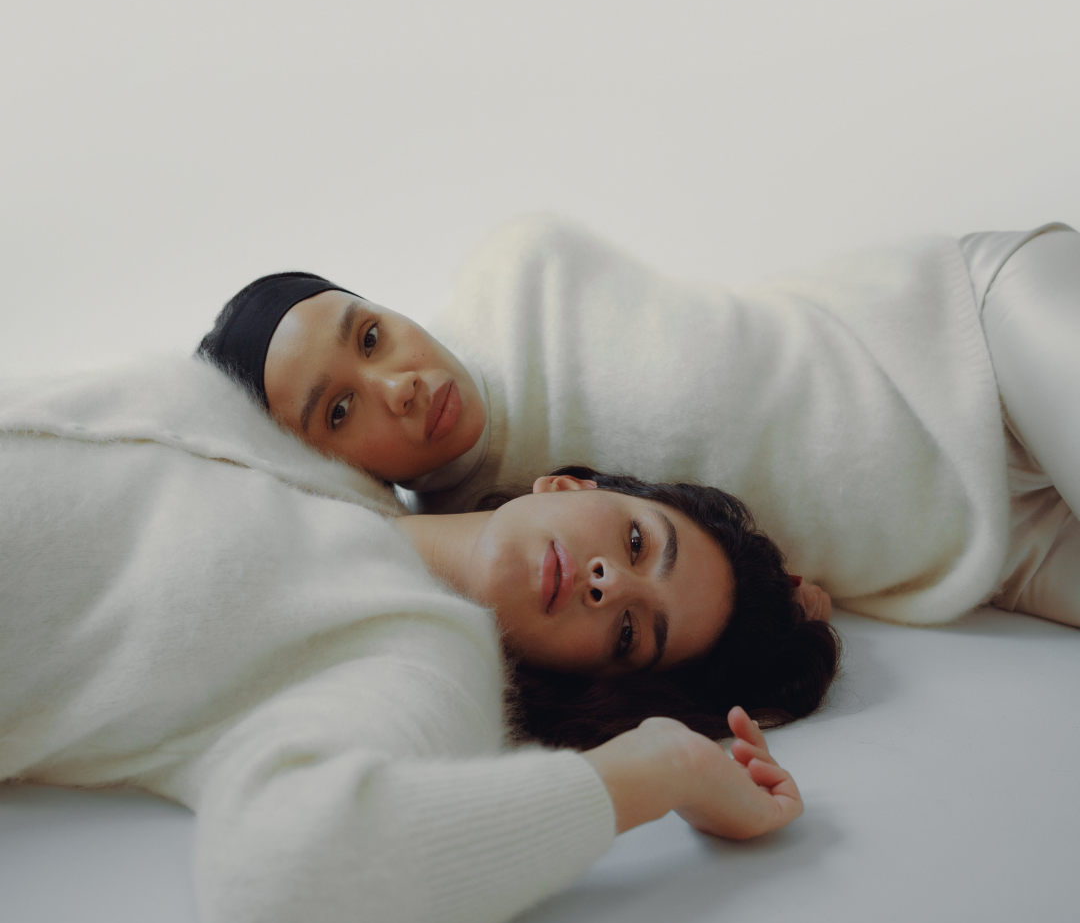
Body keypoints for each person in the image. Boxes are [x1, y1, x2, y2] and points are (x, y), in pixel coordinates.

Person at [0, 353, 838, 923]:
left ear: (600, 682)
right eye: (637, 542)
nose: (608, 582)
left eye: (629, 632)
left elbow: (292, 889)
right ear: (567, 484)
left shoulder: (421, 659)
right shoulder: (327, 451)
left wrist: (659, 768)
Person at [201, 220, 1080, 632]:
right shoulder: (499, 553)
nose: (397, 385)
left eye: (369, 335)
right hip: (977, 551)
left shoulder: (520, 281)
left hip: (967, 329)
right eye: (340, 409)